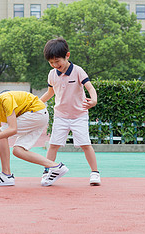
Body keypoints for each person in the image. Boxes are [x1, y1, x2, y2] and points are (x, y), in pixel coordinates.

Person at [0, 84, 69, 187]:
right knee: (18, 150)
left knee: (1, 133)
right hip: (37, 116)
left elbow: (12, 129)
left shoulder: (5, 99)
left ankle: (6, 175)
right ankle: (56, 167)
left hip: (36, 112)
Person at [40, 37, 101, 186]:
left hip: (79, 116)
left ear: (67, 55)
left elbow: (90, 88)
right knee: (53, 145)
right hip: (61, 116)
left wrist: (93, 100)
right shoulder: (52, 74)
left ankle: (95, 173)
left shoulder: (78, 71)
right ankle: (47, 172)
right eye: (51, 62)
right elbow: (50, 93)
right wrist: (35, 104)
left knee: (86, 145)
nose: (55, 65)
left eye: (57, 61)